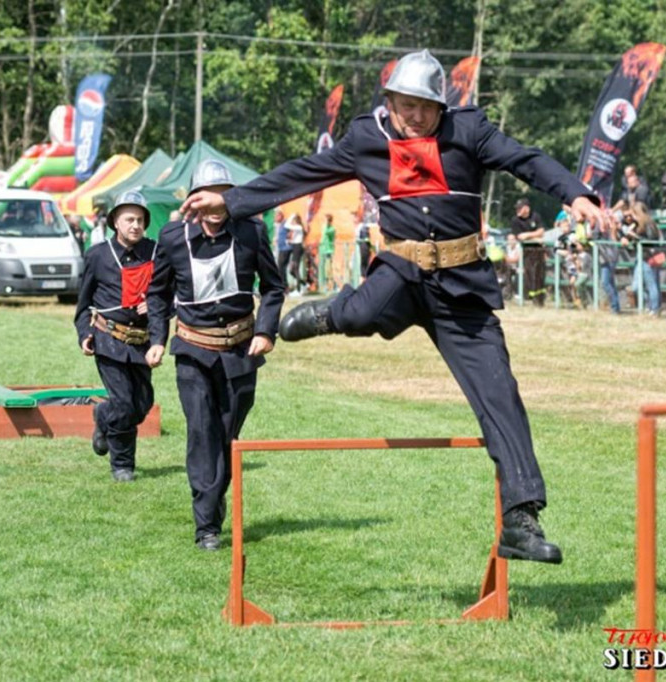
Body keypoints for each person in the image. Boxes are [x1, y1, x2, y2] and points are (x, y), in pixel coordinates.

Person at [180, 49, 610, 564]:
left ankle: (521, 519)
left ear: (441, 106)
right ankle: (329, 314)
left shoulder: (469, 130)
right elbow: (303, 173)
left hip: (462, 290)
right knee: (362, 312)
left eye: (427, 107)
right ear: (389, 101)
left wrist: (575, 194)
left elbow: (526, 159)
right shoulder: (366, 138)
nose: (418, 116)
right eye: (408, 106)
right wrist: (230, 202)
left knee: (502, 397)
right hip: (401, 276)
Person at [146, 159, 285, 550]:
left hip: (240, 351)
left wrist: (266, 332)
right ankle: (206, 525)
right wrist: (157, 338)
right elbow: (157, 294)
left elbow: (274, 287)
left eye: (222, 198)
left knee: (226, 437)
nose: (213, 207)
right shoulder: (173, 237)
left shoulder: (251, 232)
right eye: (206, 198)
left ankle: (212, 502)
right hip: (193, 352)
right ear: (193, 199)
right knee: (202, 433)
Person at [74, 190, 157, 482]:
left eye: (140, 220)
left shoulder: (156, 253)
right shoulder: (98, 255)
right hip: (108, 339)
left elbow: (171, 293)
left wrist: (156, 305)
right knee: (123, 403)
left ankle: (102, 416)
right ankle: (122, 465)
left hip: (142, 341)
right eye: (129, 219)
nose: (135, 225)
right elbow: (83, 305)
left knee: (142, 404)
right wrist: (85, 333)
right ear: (115, 222)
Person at [510, 197, 547, 306]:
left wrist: (528, 235)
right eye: (517, 208)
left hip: (538, 250)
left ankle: (540, 299)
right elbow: (520, 236)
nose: (517, 210)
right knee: (529, 274)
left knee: (540, 274)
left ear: (527, 208)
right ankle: (530, 297)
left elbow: (541, 231)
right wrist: (535, 237)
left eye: (520, 208)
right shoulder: (515, 220)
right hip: (526, 251)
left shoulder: (535, 216)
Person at [285, 214, 305, 295]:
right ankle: (303, 284)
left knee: (295, 268)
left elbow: (286, 225)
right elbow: (296, 239)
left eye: (294, 221)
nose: (292, 222)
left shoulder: (299, 227)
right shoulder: (297, 228)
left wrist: (291, 216)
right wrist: (290, 242)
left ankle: (298, 290)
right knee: (291, 270)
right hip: (295, 246)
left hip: (298, 247)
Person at [319, 213, 337, 291]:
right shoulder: (324, 227)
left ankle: (333, 285)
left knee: (328, 269)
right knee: (323, 269)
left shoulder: (332, 229)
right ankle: (324, 285)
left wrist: (326, 224)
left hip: (329, 251)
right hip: (322, 250)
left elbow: (326, 232)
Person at [273, 209, 291, 285]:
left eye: (276, 216)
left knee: (281, 267)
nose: (275, 218)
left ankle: (283, 284)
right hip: (281, 248)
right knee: (281, 267)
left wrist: (289, 237)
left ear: (280, 216)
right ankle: (283, 284)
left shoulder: (285, 223)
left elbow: (291, 230)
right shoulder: (280, 225)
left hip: (285, 248)